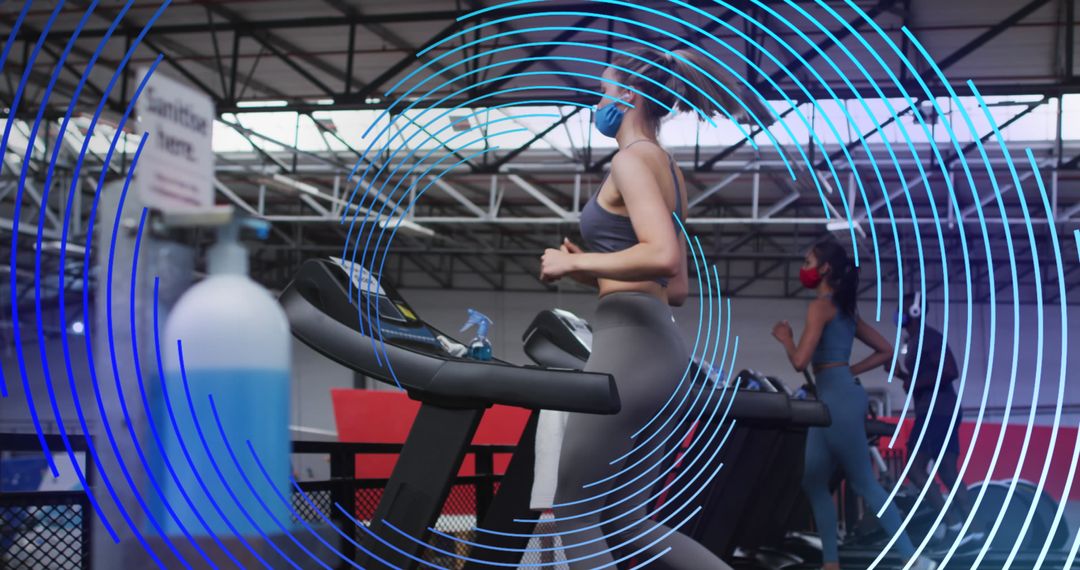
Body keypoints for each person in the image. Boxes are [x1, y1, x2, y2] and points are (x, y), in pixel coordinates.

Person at [538, 46, 755, 569]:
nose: (599, 104)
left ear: (629, 95)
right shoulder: (669, 170)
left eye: (604, 92)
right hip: (659, 345)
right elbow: (674, 285)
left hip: (629, 347)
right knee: (626, 519)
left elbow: (662, 255)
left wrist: (573, 264)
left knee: (572, 503)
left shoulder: (631, 160)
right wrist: (596, 268)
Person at [771, 238, 936, 570]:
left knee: (863, 481)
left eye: (807, 262)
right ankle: (831, 564)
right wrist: (848, 370)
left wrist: (786, 340)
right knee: (813, 481)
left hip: (837, 399)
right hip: (833, 397)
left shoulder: (820, 307)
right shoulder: (845, 310)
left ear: (825, 269)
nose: (803, 269)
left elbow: (801, 361)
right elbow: (887, 350)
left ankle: (914, 559)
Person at [891, 292, 983, 552]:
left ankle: (953, 526)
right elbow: (923, 378)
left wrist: (912, 381)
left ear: (915, 311)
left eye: (901, 309)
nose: (897, 314)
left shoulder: (930, 338)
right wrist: (900, 374)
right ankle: (975, 531)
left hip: (936, 410)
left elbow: (949, 371)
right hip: (939, 409)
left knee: (915, 467)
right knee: (947, 471)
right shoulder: (917, 340)